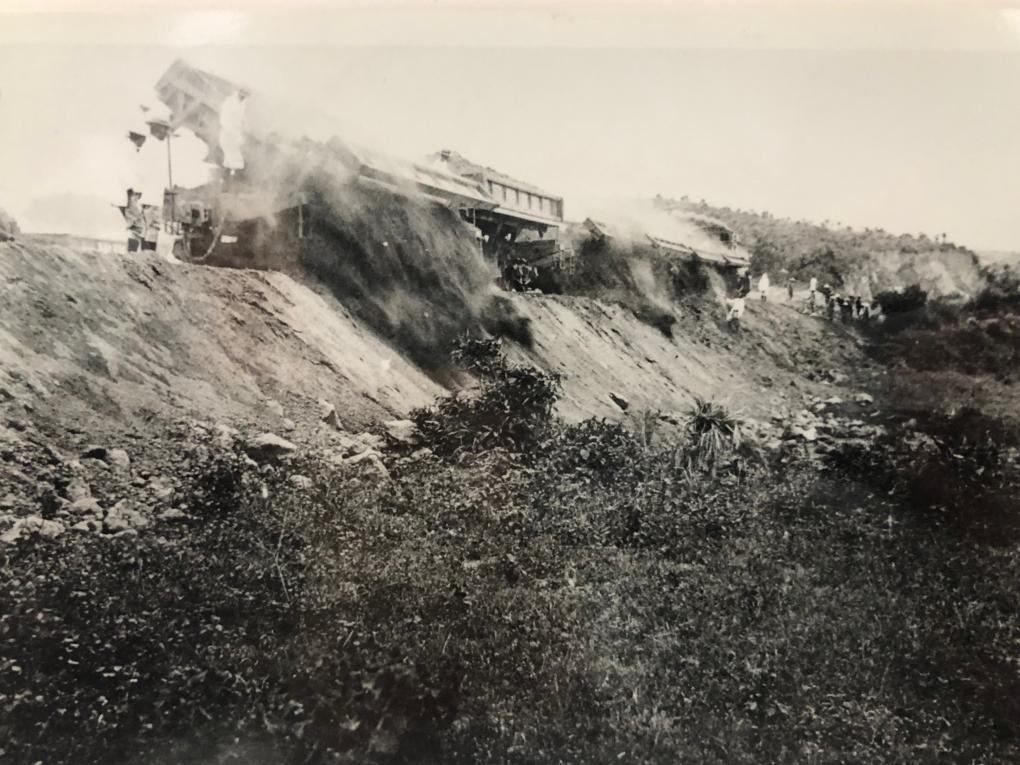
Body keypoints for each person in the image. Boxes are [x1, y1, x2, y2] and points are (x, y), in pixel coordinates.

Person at [219, 88, 248, 184]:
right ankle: (228, 182)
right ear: (238, 92)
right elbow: (224, 120)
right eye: (242, 94)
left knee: (231, 159)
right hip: (227, 133)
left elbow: (242, 119)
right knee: (232, 158)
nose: (243, 96)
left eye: (245, 95)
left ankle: (226, 182)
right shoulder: (230, 102)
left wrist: (242, 128)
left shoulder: (243, 103)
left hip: (235, 134)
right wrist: (232, 131)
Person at [123, 188, 145, 252]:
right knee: (134, 239)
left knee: (134, 239)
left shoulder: (132, 203)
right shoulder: (132, 204)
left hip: (136, 228)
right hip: (136, 228)